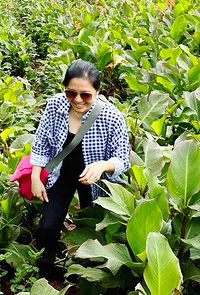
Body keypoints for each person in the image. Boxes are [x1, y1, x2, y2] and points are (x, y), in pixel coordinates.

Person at [30, 60, 130, 268]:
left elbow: (122, 159)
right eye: (70, 93)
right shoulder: (55, 106)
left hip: (94, 182)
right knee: (48, 227)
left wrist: (102, 165)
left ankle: (88, 272)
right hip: (61, 174)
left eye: (85, 95)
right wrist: (35, 177)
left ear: (97, 91)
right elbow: (40, 142)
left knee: (93, 229)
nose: (77, 100)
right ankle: (47, 263)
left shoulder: (112, 118)